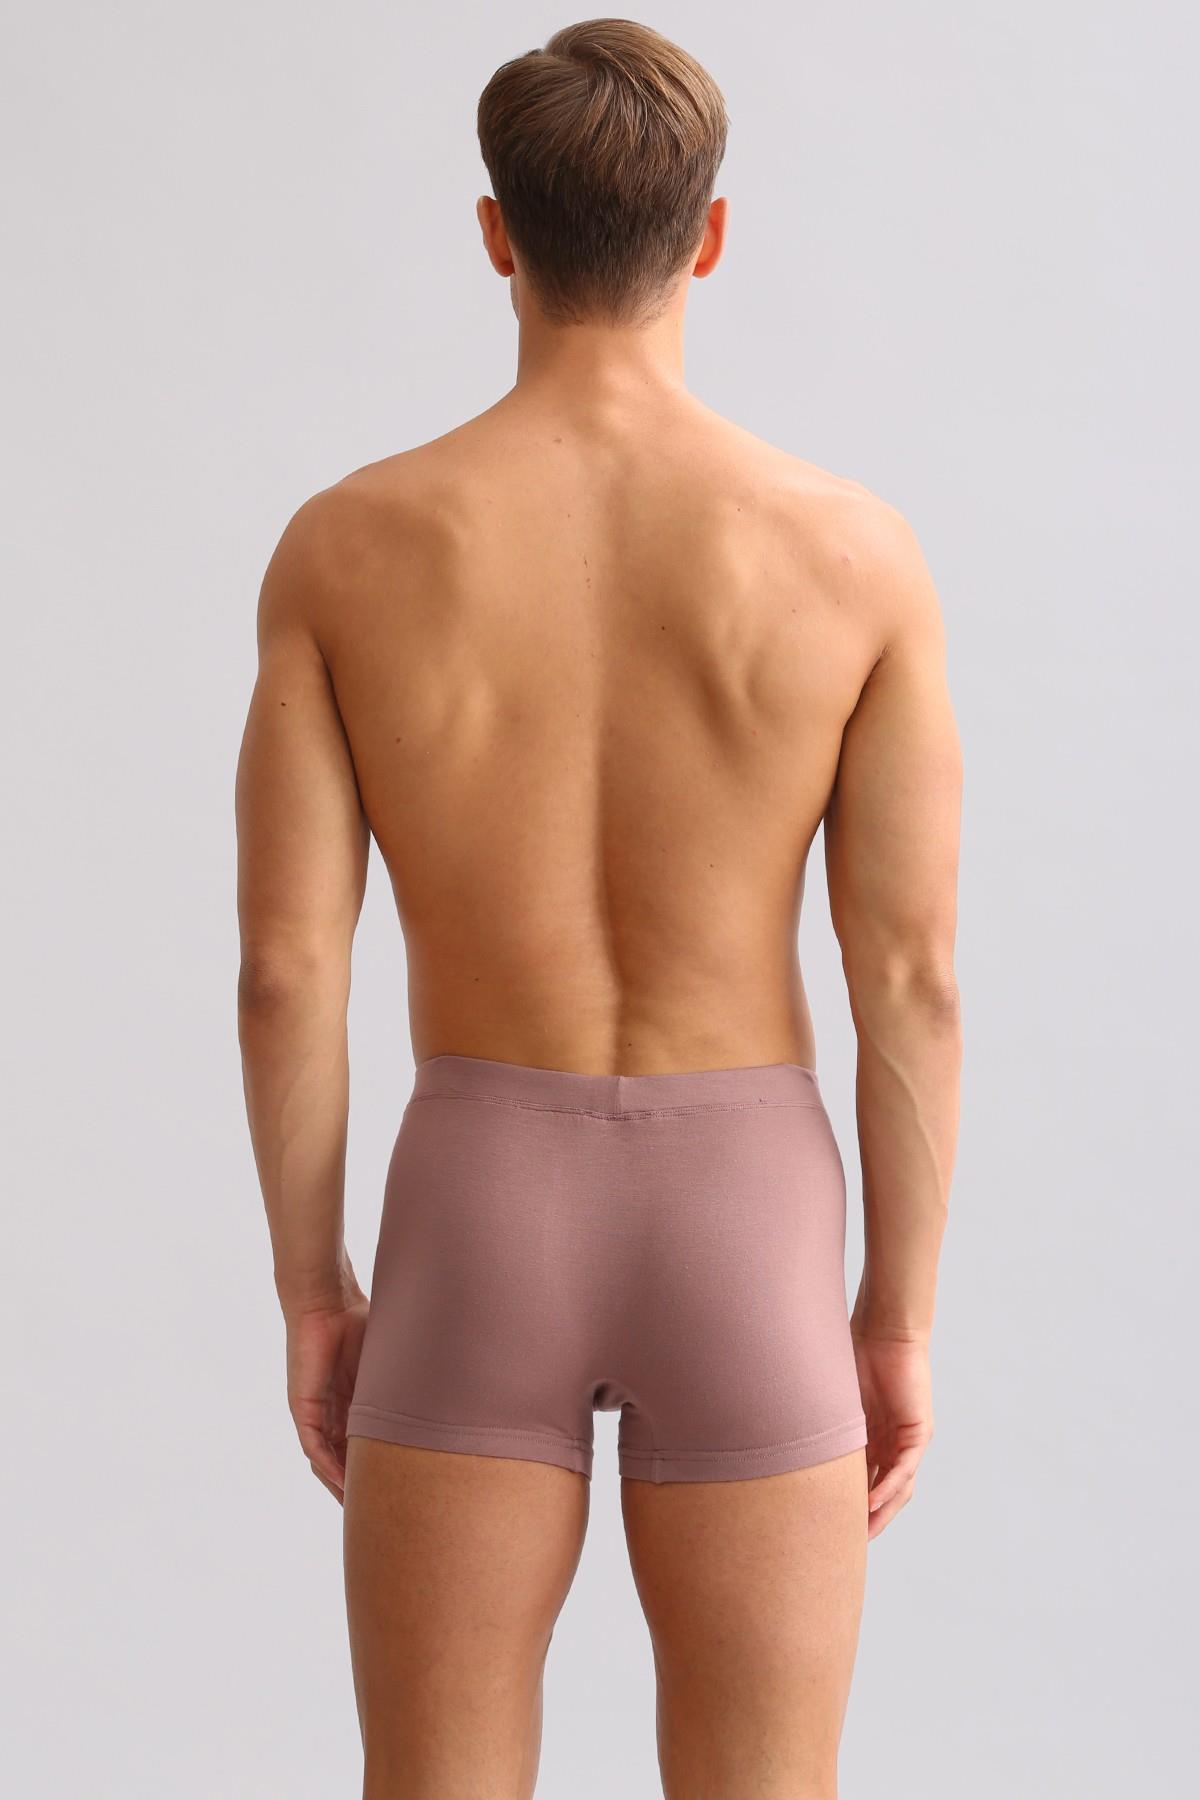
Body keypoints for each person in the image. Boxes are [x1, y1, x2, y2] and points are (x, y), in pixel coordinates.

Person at [235, 17, 962, 1798]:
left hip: (476, 1207)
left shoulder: (348, 546)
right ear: (708, 236)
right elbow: (911, 977)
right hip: (749, 1217)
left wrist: (317, 1288)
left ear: (498, 234)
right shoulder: (852, 552)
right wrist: (894, 1316)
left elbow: (285, 971)